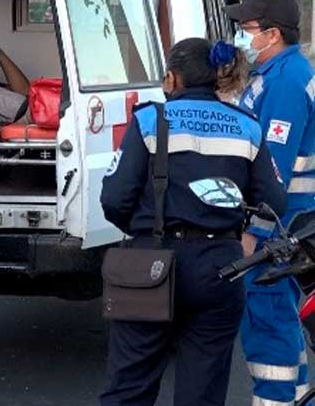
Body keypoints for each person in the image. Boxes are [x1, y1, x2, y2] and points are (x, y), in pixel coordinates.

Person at [99, 38, 286, 406]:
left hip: (150, 262)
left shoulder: (150, 120)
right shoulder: (246, 125)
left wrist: (142, 230)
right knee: (202, 392)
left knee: (130, 385)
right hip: (220, 265)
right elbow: (273, 200)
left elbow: (115, 198)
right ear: (217, 77)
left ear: (171, 78)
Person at [226, 0, 315, 405]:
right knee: (283, 324)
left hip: (279, 230)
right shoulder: (277, 73)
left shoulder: (284, 82)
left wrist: (251, 234)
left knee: (269, 325)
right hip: (289, 225)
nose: (243, 36)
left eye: (247, 28)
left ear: (273, 33)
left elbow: (272, 175)